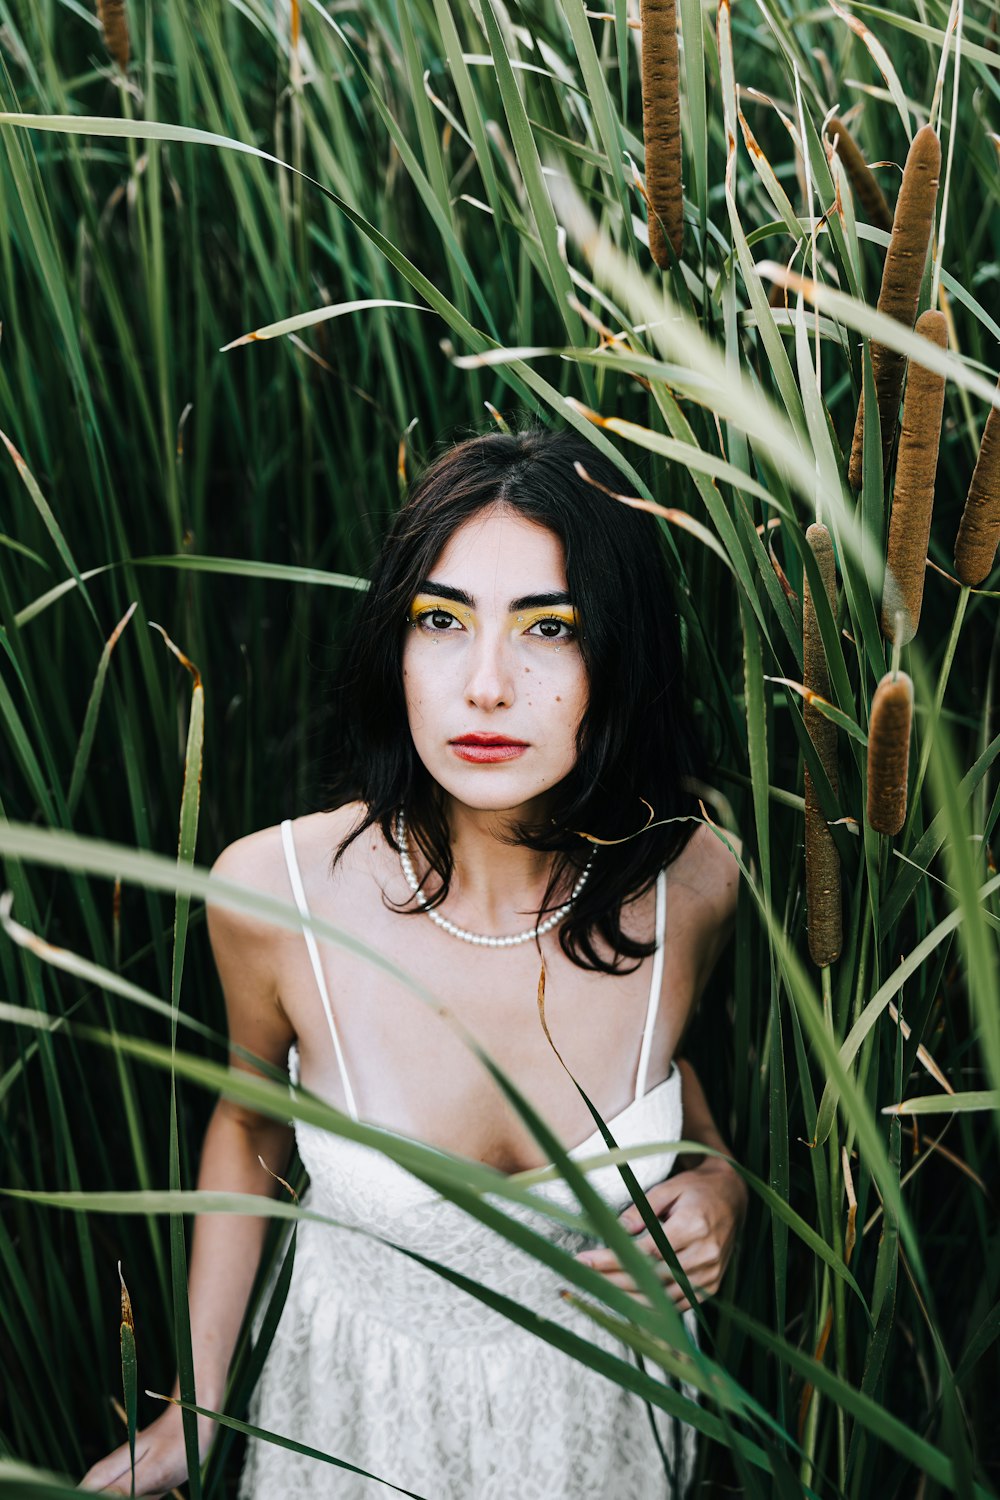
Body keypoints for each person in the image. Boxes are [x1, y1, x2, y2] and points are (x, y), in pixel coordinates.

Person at [82, 426, 748, 1499]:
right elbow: (252, 1118)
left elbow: (677, 1086)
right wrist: (195, 1407)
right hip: (351, 1433)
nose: (486, 685)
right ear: (394, 647)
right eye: (442, 620)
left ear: (620, 652)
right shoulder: (275, 895)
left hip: (606, 1445)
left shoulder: (692, 885)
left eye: (552, 628)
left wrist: (721, 1188)